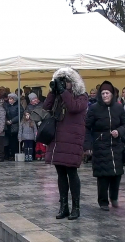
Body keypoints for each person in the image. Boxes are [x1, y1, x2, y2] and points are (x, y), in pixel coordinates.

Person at [44, 67, 88, 220]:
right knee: (60, 173)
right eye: (61, 81)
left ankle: (76, 208)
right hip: (57, 139)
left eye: (67, 81)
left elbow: (73, 107)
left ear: (73, 82)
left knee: (72, 173)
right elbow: (46, 107)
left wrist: (63, 92)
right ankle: (64, 207)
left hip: (72, 140)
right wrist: (53, 91)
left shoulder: (82, 96)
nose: (64, 84)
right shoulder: (59, 96)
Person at [87, 81, 125, 210]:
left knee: (117, 174)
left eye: (107, 93)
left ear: (112, 94)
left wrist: (119, 131)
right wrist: (88, 145)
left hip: (116, 145)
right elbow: (87, 127)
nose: (105, 95)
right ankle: (103, 201)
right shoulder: (94, 108)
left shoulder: (118, 107)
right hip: (100, 145)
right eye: (103, 93)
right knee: (103, 176)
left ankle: (114, 197)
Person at [5, 93, 22, 161]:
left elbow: (20, 115)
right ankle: (10, 154)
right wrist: (7, 121)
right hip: (8, 126)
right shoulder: (7, 106)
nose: (10, 100)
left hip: (16, 125)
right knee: (9, 141)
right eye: (9, 99)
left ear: (14, 100)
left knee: (15, 142)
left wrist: (12, 121)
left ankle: (15, 154)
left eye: (11, 99)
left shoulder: (18, 106)